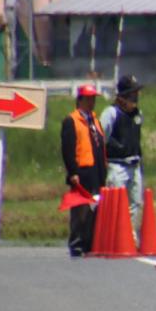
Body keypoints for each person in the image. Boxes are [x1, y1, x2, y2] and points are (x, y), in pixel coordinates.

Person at [60, 83, 106, 256]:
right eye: (88, 99)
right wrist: (73, 172)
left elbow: (100, 145)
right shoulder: (71, 120)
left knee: (94, 209)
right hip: (81, 171)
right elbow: (68, 149)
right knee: (81, 210)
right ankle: (77, 243)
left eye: (93, 99)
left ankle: (90, 242)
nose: (92, 102)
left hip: (96, 171)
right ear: (80, 100)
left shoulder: (94, 120)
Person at [100, 74, 145, 229]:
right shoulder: (111, 113)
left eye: (136, 94)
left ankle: (130, 238)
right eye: (132, 95)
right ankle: (115, 237)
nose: (135, 98)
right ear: (122, 97)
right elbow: (100, 138)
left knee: (136, 203)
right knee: (117, 204)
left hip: (134, 164)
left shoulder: (138, 114)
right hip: (117, 164)